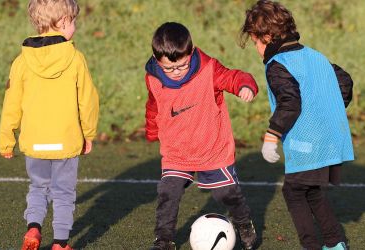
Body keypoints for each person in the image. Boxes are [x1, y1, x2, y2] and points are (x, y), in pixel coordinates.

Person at [239, 1, 354, 250]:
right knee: (310, 190)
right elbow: (344, 80)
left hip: (308, 142)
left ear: (267, 37)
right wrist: (328, 112)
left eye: (256, 42)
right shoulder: (314, 55)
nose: (257, 49)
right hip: (331, 138)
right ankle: (335, 243)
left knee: (293, 192)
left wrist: (272, 135)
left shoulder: (277, 64)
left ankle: (312, 245)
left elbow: (290, 102)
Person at [144, 22, 259, 250]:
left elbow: (232, 77)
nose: (176, 72)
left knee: (227, 193)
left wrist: (245, 85)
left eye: (182, 66)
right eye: (169, 68)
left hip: (212, 148)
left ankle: (244, 224)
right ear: (157, 60)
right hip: (177, 151)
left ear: (191, 52)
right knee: (169, 192)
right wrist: (152, 130)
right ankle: (163, 240)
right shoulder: (153, 78)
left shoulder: (209, 69)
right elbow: (154, 106)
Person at [0, 0, 99, 249]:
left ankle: (33, 228)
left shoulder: (21, 61)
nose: (75, 25)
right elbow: (88, 100)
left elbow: (12, 103)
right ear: (63, 22)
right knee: (64, 194)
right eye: (73, 21)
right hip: (66, 141)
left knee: (38, 188)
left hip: (34, 142)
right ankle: (61, 243)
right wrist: (89, 133)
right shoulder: (75, 58)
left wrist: (6, 140)